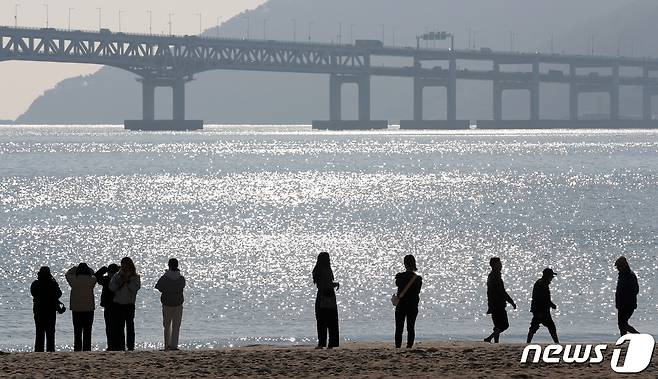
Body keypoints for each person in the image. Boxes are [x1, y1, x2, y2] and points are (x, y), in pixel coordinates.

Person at [109, 257, 141, 351]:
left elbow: (135, 288)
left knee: (130, 326)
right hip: (118, 303)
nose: (124, 267)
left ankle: (130, 346)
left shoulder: (135, 276)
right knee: (119, 326)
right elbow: (111, 287)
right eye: (123, 264)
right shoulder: (117, 275)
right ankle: (121, 345)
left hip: (129, 304)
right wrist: (120, 281)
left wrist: (128, 281)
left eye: (126, 264)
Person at [155, 258, 186, 351]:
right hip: (178, 303)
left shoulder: (164, 277)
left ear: (169, 265)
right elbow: (181, 287)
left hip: (167, 303)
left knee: (166, 325)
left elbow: (158, 287)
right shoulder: (181, 278)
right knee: (176, 325)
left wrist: (166, 289)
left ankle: (167, 345)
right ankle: (174, 345)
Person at [65, 263, 97, 351]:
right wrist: (90, 270)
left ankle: (77, 348)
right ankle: (87, 348)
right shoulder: (92, 280)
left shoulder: (74, 280)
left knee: (77, 330)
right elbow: (93, 273)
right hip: (89, 308)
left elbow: (67, 274)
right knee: (87, 331)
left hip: (76, 308)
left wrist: (74, 268)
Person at [30, 266, 63, 352]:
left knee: (39, 332)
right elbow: (59, 294)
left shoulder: (36, 283)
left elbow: (33, 293)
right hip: (50, 310)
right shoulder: (52, 283)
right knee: (50, 333)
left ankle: (38, 350)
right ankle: (50, 350)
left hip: (38, 310)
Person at [484, 257, 516, 343]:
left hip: (494, 304)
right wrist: (511, 301)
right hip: (497, 304)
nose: (501, 265)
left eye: (500, 264)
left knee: (497, 325)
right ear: (494, 265)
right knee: (504, 325)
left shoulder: (492, 275)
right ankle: (489, 338)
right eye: (499, 264)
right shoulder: (495, 276)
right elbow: (502, 291)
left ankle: (496, 342)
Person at [394, 255, 423, 349]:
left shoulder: (400, 276)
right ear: (414, 264)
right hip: (412, 305)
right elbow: (417, 292)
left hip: (401, 305)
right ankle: (409, 346)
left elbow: (398, 284)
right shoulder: (418, 279)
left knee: (399, 328)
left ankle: (398, 347)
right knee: (410, 327)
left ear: (405, 264)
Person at [312, 252, 340, 349]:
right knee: (332, 321)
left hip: (321, 295)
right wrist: (335, 284)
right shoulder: (327, 270)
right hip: (329, 295)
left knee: (321, 320)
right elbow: (327, 284)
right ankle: (331, 343)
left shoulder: (317, 270)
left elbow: (320, 284)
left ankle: (321, 343)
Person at [527, 268, 559, 343]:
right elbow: (542, 299)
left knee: (534, 327)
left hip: (541, 310)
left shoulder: (541, 283)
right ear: (548, 276)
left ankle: (528, 343)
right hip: (541, 310)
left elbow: (545, 298)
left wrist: (551, 304)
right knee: (550, 327)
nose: (552, 278)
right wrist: (551, 305)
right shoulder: (541, 284)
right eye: (551, 276)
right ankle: (557, 343)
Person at [95, 263, 120, 350]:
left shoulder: (106, 280)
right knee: (118, 326)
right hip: (118, 305)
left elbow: (96, 276)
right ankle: (118, 345)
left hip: (108, 305)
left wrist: (104, 269)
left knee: (109, 327)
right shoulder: (119, 279)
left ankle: (111, 345)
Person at [615, 256, 640, 336]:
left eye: (619, 266)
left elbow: (635, 290)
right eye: (617, 267)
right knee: (622, 323)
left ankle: (638, 336)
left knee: (623, 323)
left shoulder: (630, 275)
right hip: (622, 304)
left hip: (628, 304)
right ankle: (624, 338)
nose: (618, 268)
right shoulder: (622, 275)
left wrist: (626, 299)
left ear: (624, 265)